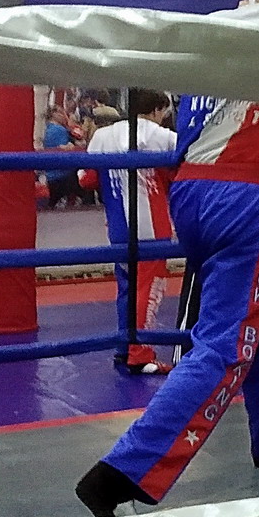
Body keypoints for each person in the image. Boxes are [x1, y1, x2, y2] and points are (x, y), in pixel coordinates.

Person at [73, 0, 259, 517]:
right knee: (225, 344)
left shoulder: (213, 28)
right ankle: (120, 474)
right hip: (245, 194)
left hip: (190, 194)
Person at [86, 88, 178, 375]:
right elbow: (181, 175)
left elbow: (86, 179)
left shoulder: (102, 136)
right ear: (158, 109)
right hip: (151, 229)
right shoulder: (163, 136)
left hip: (118, 227)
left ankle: (124, 347)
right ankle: (141, 354)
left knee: (127, 287)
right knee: (147, 290)